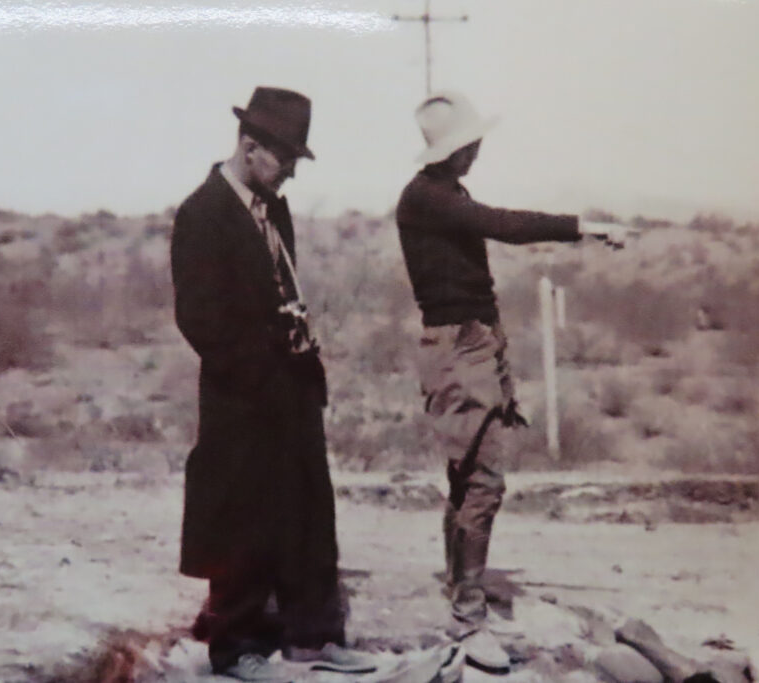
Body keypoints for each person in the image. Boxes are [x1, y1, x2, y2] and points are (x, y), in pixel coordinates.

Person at [394, 91, 623, 674]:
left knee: (471, 474)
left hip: (474, 342)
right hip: (458, 348)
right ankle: (469, 615)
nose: (476, 150)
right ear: (452, 148)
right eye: (469, 143)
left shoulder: (442, 194)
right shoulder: (429, 198)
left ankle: (461, 587)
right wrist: (582, 227)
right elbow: (503, 225)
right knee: (484, 477)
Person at [170, 86, 373, 681]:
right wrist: (260, 368)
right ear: (250, 146)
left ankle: (314, 636)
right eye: (285, 160)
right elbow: (199, 318)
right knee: (242, 515)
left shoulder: (274, 207)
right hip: (240, 394)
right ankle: (236, 649)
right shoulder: (202, 213)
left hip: (292, 387)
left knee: (309, 507)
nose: (290, 174)